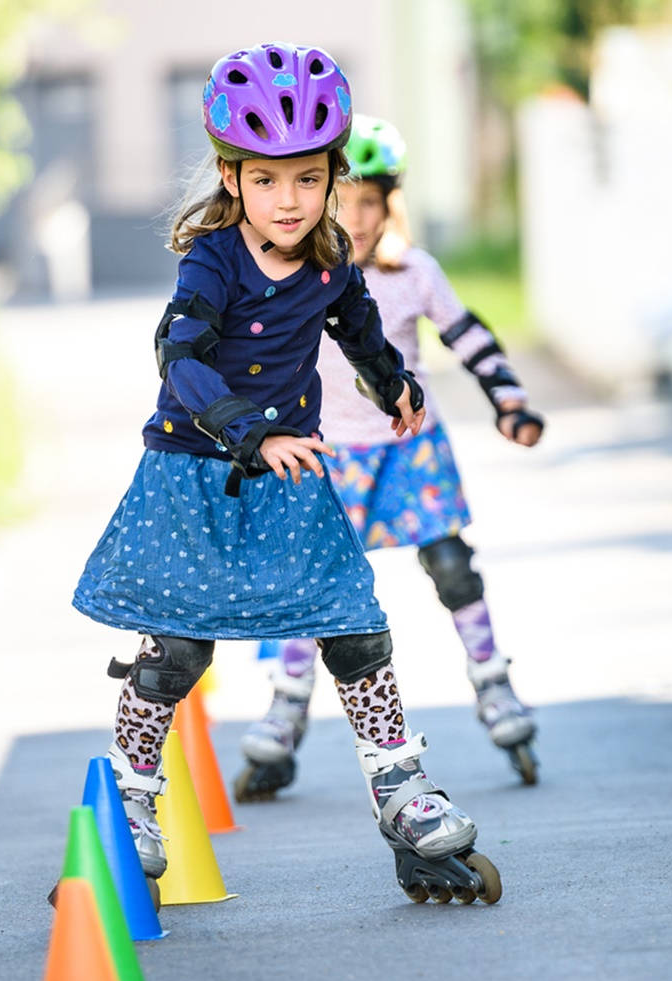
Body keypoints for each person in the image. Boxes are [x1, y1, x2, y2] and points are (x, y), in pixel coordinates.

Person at [72, 45, 500, 904]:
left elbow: (360, 329)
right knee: (177, 647)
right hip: (194, 474)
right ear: (233, 179)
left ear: (333, 177)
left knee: (353, 629)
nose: (290, 201)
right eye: (267, 181)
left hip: (290, 478)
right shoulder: (213, 262)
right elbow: (179, 357)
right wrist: (255, 432)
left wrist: (396, 386)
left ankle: (402, 792)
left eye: (308, 179)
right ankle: (130, 800)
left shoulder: (332, 260)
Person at [233, 115, 545, 805]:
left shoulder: (413, 272)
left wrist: (510, 401)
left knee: (451, 563)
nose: (356, 218)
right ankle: (286, 710)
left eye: (368, 203)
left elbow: (468, 336)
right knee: (307, 585)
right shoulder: (295, 273)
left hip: (408, 450)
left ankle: (494, 683)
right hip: (326, 452)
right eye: (341, 202)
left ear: (389, 205)